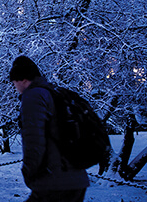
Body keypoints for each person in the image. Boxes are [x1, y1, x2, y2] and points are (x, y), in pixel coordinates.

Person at [10, 55, 89, 202]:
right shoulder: (56, 92)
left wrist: (28, 172)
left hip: (54, 180)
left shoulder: (33, 96)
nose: (15, 87)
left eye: (14, 82)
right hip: (76, 177)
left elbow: (34, 140)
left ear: (23, 80)